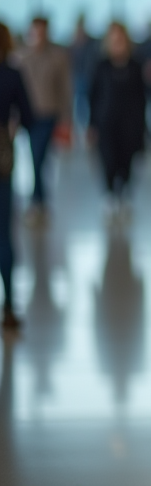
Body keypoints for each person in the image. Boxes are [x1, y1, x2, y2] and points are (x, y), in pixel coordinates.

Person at [12, 17, 71, 218]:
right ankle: (39, 199)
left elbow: (65, 88)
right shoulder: (20, 57)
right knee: (33, 157)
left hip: (48, 113)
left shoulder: (57, 56)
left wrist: (65, 117)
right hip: (27, 116)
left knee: (39, 157)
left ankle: (37, 200)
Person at [89, 23, 146, 215]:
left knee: (126, 158)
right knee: (108, 158)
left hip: (129, 122)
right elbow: (93, 94)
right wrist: (91, 124)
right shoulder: (101, 65)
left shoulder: (135, 65)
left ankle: (124, 192)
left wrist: (143, 125)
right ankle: (109, 193)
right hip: (106, 121)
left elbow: (142, 97)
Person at [0, 23, 35, 330]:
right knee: (3, 235)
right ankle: (9, 305)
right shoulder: (11, 73)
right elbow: (29, 116)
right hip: (2, 159)